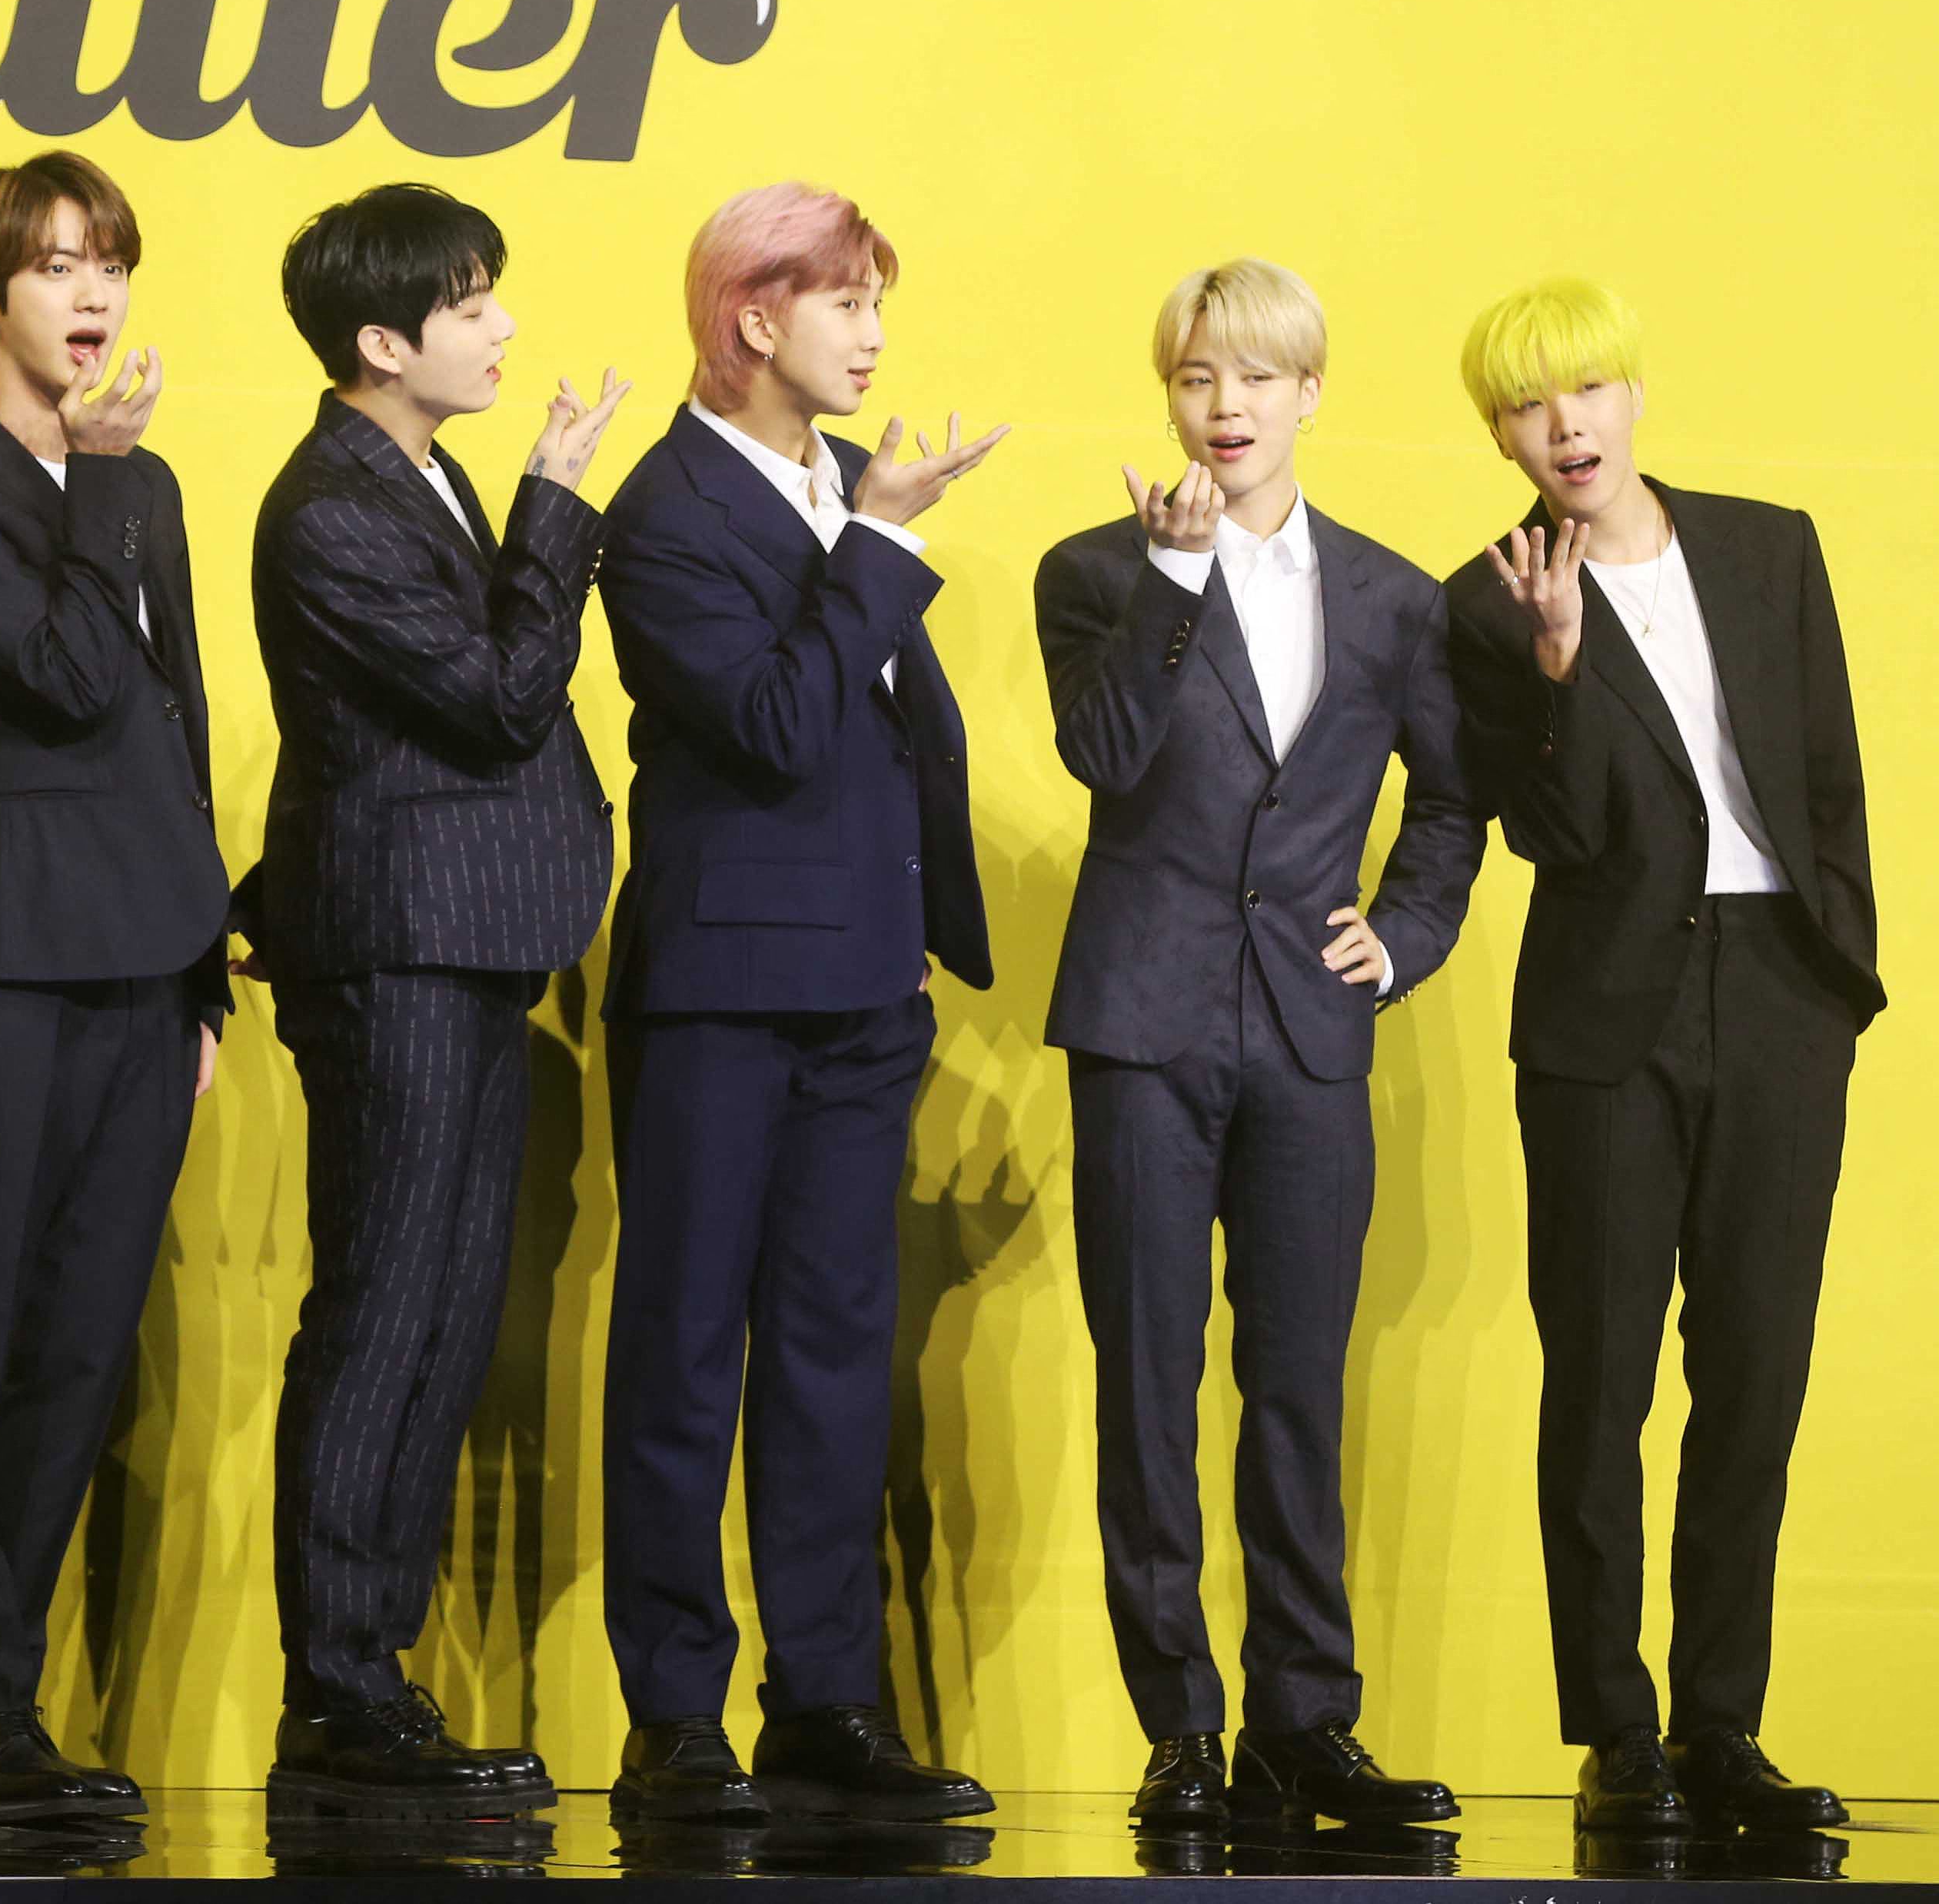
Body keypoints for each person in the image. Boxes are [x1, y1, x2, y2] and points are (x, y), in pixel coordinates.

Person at [1033, 258, 1479, 1832]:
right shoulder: (1093, 571)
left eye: (1254, 379)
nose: (1223, 409)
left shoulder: (1394, 599)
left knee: (1297, 1385)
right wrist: (1173, 588)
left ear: (1308, 392)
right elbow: (1101, 753)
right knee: (1149, 1380)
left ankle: (1307, 1716)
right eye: (1196, 379)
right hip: (1141, 1023)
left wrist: (1406, 934)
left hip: (1308, 1030)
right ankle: (1181, 1724)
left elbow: (1449, 795)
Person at [1444, 278, 1879, 1837]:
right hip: (1605, 1016)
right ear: (1498, 432)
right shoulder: (1489, 600)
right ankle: (1617, 1731)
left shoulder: (1770, 548)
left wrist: (1837, 979)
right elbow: (1542, 836)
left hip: (1777, 993)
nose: (1561, 427)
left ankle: (1722, 1727)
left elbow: (1829, 776)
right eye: (1523, 407)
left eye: (1584, 392)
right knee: (1603, 1380)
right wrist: (1557, 669)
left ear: (1631, 394)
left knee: (1756, 1373)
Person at [595, 181, 1003, 1825]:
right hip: (719, 987)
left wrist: (869, 531)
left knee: (835, 1353)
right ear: (754, 318)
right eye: (845, 302)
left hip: (858, 986)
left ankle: (826, 1697)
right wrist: (886, 546)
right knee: (687, 1345)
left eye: (877, 302)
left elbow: (889, 731)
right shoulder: (669, 511)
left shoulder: (839, 485)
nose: (874, 335)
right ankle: (674, 1711)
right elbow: (770, 720)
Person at [245, 183, 626, 1819]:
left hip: (470, 938)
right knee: (386, 1303)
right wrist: (554, 503)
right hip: (397, 941)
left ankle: (375, 1677)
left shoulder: (420, 474)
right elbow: (495, 697)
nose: (503, 329)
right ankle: (338, 1682)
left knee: (448, 1312)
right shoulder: (334, 501)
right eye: (471, 305)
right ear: (381, 340)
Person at [0, 151, 230, 1824]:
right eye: (60, 266)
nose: (93, 297)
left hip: (147, 959)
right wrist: (91, 486)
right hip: (5, 948)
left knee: (86, 1339)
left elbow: (179, 718)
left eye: (111, 266)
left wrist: (208, 968)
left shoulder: (131, 478)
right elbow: (75, 677)